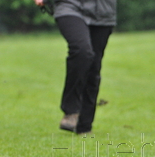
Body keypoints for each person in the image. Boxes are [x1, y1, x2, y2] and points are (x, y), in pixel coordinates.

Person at [34, 0, 117, 134]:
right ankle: (71, 111)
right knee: (82, 51)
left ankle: (84, 125)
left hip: (102, 11)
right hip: (69, 5)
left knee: (93, 66)